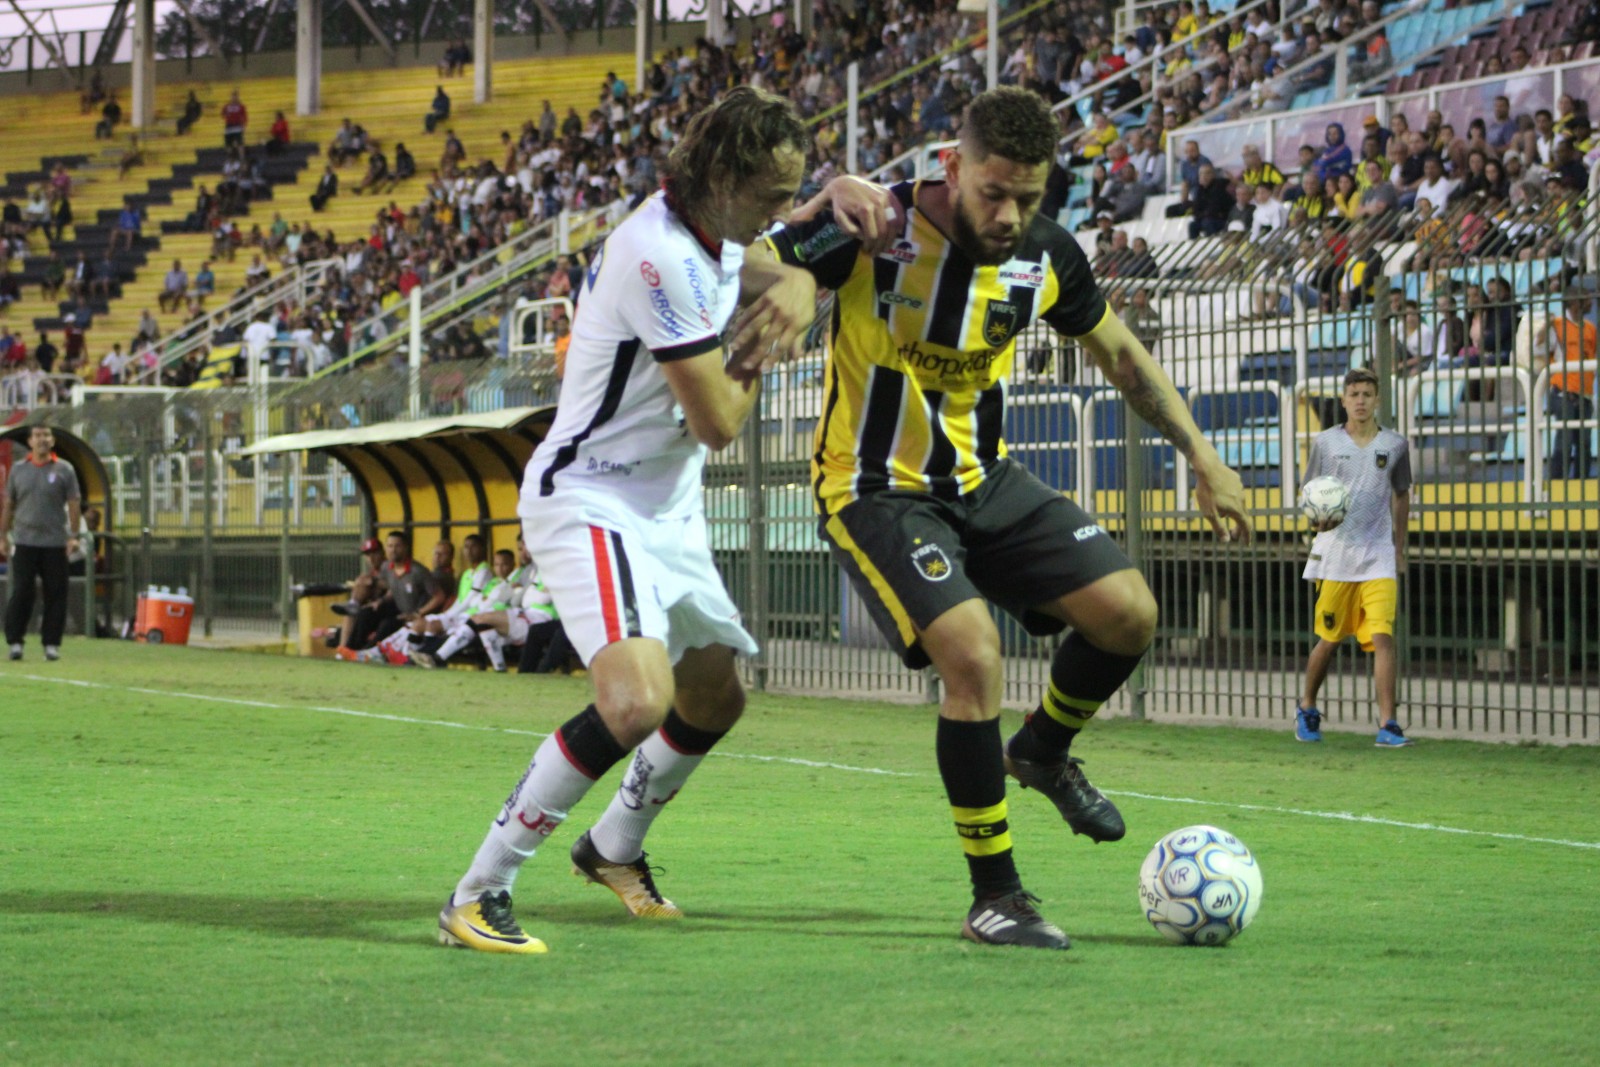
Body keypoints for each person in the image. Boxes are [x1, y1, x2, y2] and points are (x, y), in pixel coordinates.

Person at [764, 86, 1250, 951]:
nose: (1011, 212)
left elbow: (1126, 361)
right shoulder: (874, 224)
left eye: (1030, 195)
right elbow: (741, 265)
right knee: (974, 653)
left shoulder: (1048, 256)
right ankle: (997, 895)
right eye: (995, 192)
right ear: (952, 166)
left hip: (983, 481)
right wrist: (800, 264)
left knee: (1131, 613)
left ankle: (1042, 752)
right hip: (872, 487)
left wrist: (1203, 457)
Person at [438, 86, 843, 955]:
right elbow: (720, 423)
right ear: (728, 179)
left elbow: (763, 266)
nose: (780, 212)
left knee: (714, 695)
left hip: (664, 506)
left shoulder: (707, 230)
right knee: (635, 701)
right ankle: (479, 890)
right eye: (774, 195)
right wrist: (772, 337)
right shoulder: (657, 257)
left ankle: (613, 848)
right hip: (593, 495)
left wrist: (801, 280)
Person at [1295, 367, 1413, 747]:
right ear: (1343, 400)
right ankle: (1307, 706)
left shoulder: (1395, 445)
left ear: (1377, 399)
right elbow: (1310, 491)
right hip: (1336, 556)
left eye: (1367, 394)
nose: (1360, 401)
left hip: (1377, 554)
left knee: (1383, 636)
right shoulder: (1326, 444)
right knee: (1328, 640)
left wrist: (1399, 547)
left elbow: (1401, 494)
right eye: (1354, 394)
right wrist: (1317, 521)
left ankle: (1388, 724)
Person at [3, 425, 82, 662]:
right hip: (25, 541)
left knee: (56, 593)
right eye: (37, 436)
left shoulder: (64, 469)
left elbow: (74, 503)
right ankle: (15, 641)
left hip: (55, 542)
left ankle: (51, 644)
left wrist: (74, 535)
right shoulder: (18, 470)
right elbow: (9, 505)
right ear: (29, 442)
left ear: (53, 440)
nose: (42, 440)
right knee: (22, 591)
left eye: (46, 435)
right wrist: (2, 536)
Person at [1544, 287, 1597, 479]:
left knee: (1584, 442)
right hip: (1562, 390)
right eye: (1587, 298)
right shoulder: (1556, 326)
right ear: (1575, 303)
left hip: (1585, 393)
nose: (1591, 302)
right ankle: (1557, 486)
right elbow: (1538, 347)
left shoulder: (1591, 328)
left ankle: (1580, 485)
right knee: (1564, 440)